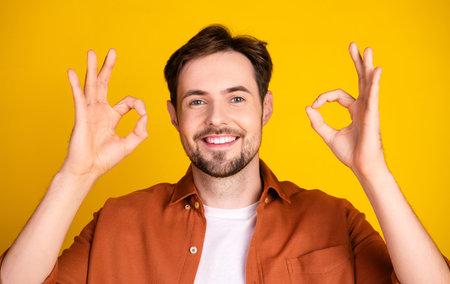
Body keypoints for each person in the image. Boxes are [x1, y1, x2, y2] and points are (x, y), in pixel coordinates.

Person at [0, 25, 449, 284]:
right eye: (197, 101)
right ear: (175, 116)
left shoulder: (334, 219)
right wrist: (76, 175)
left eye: (236, 98)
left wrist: (374, 173)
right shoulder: (118, 220)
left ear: (265, 108)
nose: (217, 118)